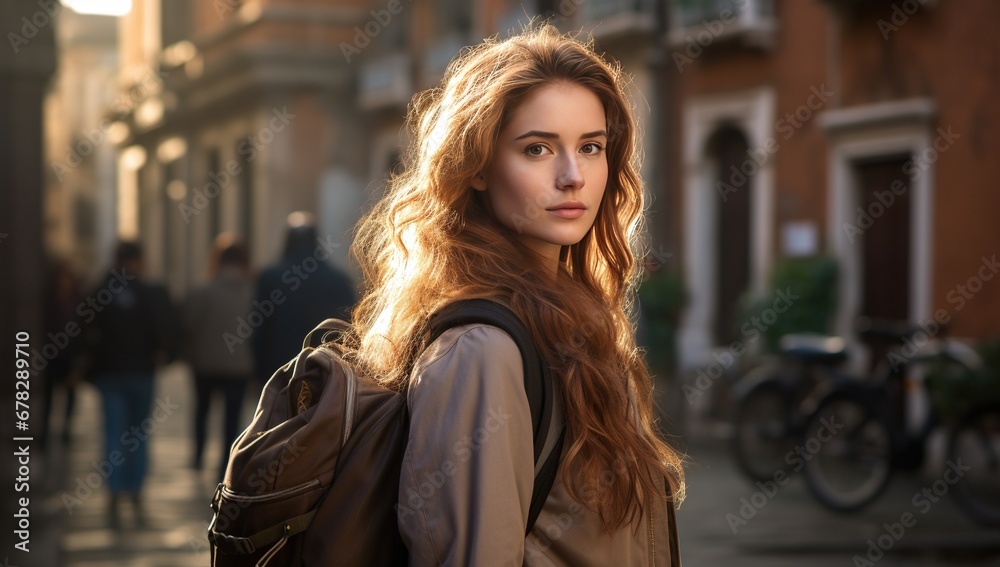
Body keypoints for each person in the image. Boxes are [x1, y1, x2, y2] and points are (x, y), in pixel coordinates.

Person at [337, 25, 684, 565]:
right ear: (475, 167)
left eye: (591, 147)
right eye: (537, 148)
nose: (573, 176)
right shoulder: (482, 351)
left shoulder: (569, 316)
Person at [79, 241, 176, 528]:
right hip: (141, 373)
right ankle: (134, 488)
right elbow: (165, 330)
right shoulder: (149, 292)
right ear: (138, 260)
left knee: (113, 430)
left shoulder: (100, 291)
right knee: (138, 433)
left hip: (109, 374)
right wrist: (162, 355)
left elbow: (84, 330)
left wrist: (85, 366)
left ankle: (114, 487)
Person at [252, 212, 358, 384]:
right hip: (324, 369)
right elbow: (349, 327)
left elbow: (259, 327)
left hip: (278, 368)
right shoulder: (338, 280)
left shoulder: (270, 277)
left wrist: (258, 371)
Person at [181, 234, 254, 478]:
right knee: (233, 416)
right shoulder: (254, 293)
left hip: (204, 364)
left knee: (201, 409)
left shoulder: (202, 290)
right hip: (239, 365)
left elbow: (187, 325)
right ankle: (226, 462)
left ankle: (198, 456)